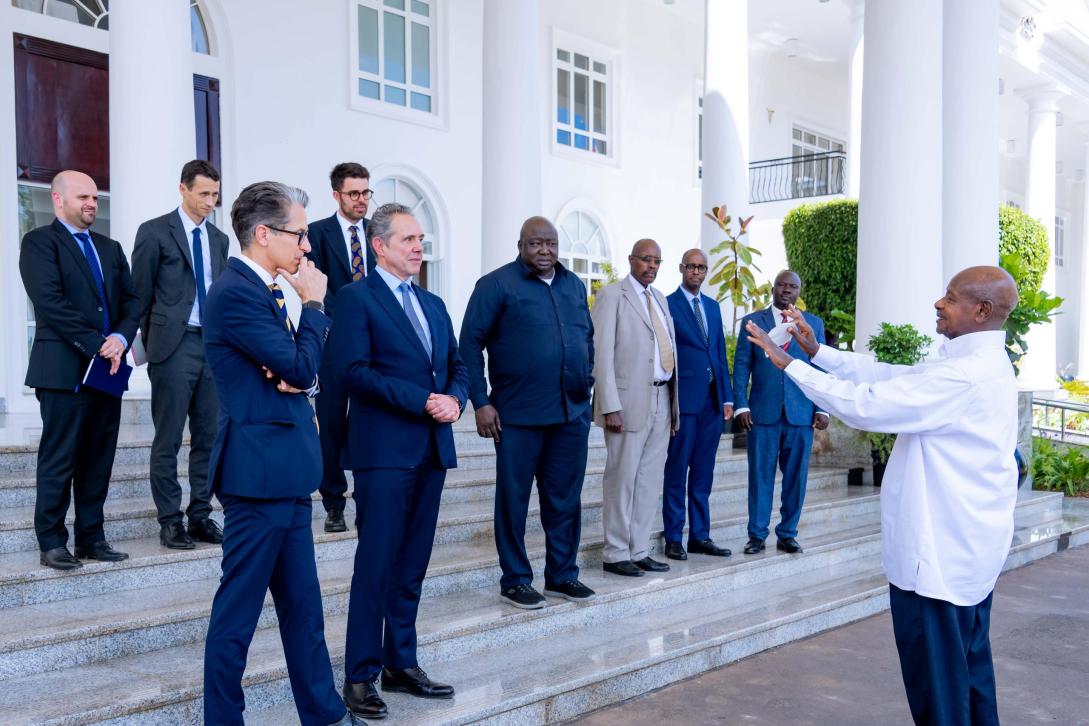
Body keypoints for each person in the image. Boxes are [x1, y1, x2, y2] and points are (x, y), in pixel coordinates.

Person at [742, 266, 1020, 726]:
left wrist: (788, 363)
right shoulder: (979, 364)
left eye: (950, 298)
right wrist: (818, 353)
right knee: (969, 683)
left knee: (940, 699)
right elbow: (897, 375)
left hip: (937, 565)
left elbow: (867, 404)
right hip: (968, 561)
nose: (938, 303)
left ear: (981, 310)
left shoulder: (965, 376)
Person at [201, 181, 357, 726]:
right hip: (257, 475)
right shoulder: (236, 291)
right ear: (263, 234)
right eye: (300, 234)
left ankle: (325, 715)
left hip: (288, 473)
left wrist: (299, 368)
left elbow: (300, 373)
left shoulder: (267, 289)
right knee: (237, 618)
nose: (307, 247)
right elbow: (299, 366)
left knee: (304, 613)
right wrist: (313, 307)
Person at [334, 203, 468, 719]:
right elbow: (353, 372)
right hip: (384, 452)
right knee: (377, 564)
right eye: (408, 239)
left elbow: (457, 365)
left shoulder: (433, 304)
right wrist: (422, 400)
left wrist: (454, 398)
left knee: (413, 563)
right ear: (380, 246)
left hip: (432, 448)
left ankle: (401, 662)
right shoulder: (356, 299)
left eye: (420, 239)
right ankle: (360, 675)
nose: (418, 247)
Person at [460, 216, 596, 609]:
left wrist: (587, 383)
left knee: (565, 498)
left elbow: (586, 336)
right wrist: (481, 402)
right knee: (514, 500)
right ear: (521, 245)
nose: (545, 251)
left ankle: (562, 574)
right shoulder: (496, 285)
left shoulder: (573, 285)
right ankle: (516, 579)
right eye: (536, 244)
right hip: (517, 416)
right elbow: (468, 346)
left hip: (570, 415)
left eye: (551, 243)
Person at [19, 170, 140, 571]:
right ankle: (52, 541)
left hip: (107, 370)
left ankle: (92, 537)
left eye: (94, 198)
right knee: (60, 457)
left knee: (98, 457)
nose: (92, 203)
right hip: (63, 370)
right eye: (83, 197)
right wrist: (98, 344)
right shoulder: (39, 243)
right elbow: (50, 303)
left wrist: (121, 339)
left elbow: (132, 301)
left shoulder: (110, 247)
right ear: (57, 199)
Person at [132, 159, 228, 550]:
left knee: (209, 435)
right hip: (173, 346)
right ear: (183, 189)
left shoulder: (220, 240)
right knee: (168, 438)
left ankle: (200, 515)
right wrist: (137, 346)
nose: (210, 202)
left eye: (215, 195)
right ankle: (170, 520)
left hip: (212, 347)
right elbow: (138, 294)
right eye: (203, 193)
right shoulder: (155, 232)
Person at [591, 239, 679, 577]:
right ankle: (615, 552)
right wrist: (609, 404)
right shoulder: (613, 295)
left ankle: (639, 549)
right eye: (646, 259)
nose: (652, 266)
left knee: (649, 480)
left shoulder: (659, 299)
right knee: (622, 479)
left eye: (657, 261)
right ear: (631, 260)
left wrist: (674, 405)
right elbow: (602, 355)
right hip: (627, 403)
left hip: (661, 398)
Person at [732, 270, 828, 556]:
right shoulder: (753, 322)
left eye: (793, 286)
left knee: (796, 478)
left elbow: (821, 366)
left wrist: (822, 407)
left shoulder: (812, 324)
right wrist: (742, 404)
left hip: (801, 413)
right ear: (773, 289)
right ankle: (757, 535)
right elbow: (741, 366)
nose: (787, 290)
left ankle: (788, 533)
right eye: (782, 285)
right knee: (760, 475)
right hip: (763, 412)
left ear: (799, 291)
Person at [306, 162, 377, 534]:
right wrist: (335, 325)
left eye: (366, 192)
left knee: (369, 420)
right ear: (336, 195)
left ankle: (365, 495)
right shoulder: (317, 233)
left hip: (374, 345)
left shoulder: (378, 234)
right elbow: (315, 282)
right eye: (354, 193)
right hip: (331, 342)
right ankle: (333, 503)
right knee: (330, 424)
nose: (362, 200)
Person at [662, 249, 734, 561]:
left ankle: (700, 536)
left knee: (704, 473)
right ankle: (674, 537)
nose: (696, 272)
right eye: (691, 266)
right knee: (677, 470)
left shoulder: (713, 307)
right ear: (681, 269)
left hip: (713, 403)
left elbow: (719, 353)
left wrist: (728, 396)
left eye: (702, 268)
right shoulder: (667, 304)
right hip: (684, 400)